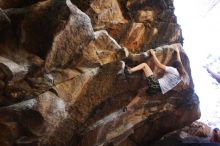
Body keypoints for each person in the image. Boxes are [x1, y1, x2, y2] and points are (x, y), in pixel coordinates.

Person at [123, 47, 189, 111]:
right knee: (140, 94)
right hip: (158, 91)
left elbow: (159, 65)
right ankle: (127, 107)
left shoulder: (173, 70)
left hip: (156, 84)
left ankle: (130, 70)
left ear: (175, 66)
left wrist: (153, 54)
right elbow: (179, 62)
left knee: (144, 65)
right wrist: (177, 52)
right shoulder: (181, 76)